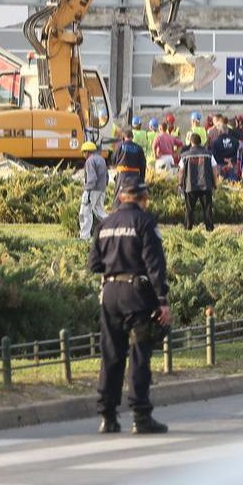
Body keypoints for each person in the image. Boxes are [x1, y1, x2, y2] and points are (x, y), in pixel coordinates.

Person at [89, 181, 171, 434]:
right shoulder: (144, 223)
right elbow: (154, 264)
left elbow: (94, 265)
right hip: (137, 295)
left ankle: (108, 416)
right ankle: (140, 415)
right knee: (138, 355)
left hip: (110, 294)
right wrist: (163, 300)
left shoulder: (105, 224)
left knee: (111, 354)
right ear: (142, 198)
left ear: (121, 197)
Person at [178, 132, 217, 232]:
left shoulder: (184, 156)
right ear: (200, 142)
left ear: (191, 142)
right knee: (207, 209)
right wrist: (215, 183)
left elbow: (181, 172)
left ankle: (188, 230)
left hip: (190, 186)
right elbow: (214, 169)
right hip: (206, 185)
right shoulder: (209, 155)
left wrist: (180, 184)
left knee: (189, 210)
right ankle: (210, 230)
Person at [79, 140, 108, 241]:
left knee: (84, 212)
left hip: (92, 190)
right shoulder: (101, 159)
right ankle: (113, 227)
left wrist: (87, 190)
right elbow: (106, 176)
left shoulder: (90, 161)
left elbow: (92, 178)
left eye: (84, 152)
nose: (83, 155)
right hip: (101, 189)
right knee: (100, 211)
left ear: (87, 152)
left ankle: (84, 236)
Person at [112, 131, 147, 203]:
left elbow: (113, 159)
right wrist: (142, 177)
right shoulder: (138, 148)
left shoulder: (120, 146)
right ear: (132, 137)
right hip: (135, 175)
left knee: (119, 193)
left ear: (123, 137)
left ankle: (116, 211)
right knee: (133, 194)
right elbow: (143, 164)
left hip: (122, 174)